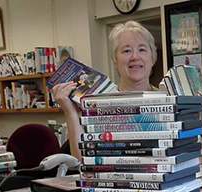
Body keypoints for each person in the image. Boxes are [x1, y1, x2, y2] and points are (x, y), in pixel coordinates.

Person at [52, 21, 158, 161]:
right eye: (126, 50)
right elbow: (82, 159)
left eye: (142, 49)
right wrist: (70, 112)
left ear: (152, 58)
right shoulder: (97, 103)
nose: (134, 57)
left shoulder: (171, 99)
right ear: (115, 60)